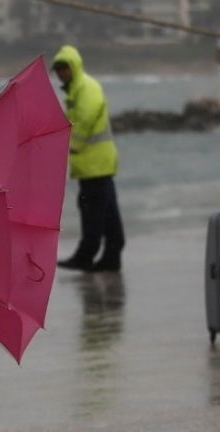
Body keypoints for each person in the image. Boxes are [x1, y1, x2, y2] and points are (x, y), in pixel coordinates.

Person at [52, 44, 125, 272]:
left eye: (65, 68)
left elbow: (87, 116)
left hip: (94, 164)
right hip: (95, 165)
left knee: (91, 212)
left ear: (74, 67)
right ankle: (111, 258)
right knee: (108, 215)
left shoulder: (86, 88)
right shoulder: (75, 91)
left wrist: (72, 145)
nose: (62, 73)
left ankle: (85, 256)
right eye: (59, 70)